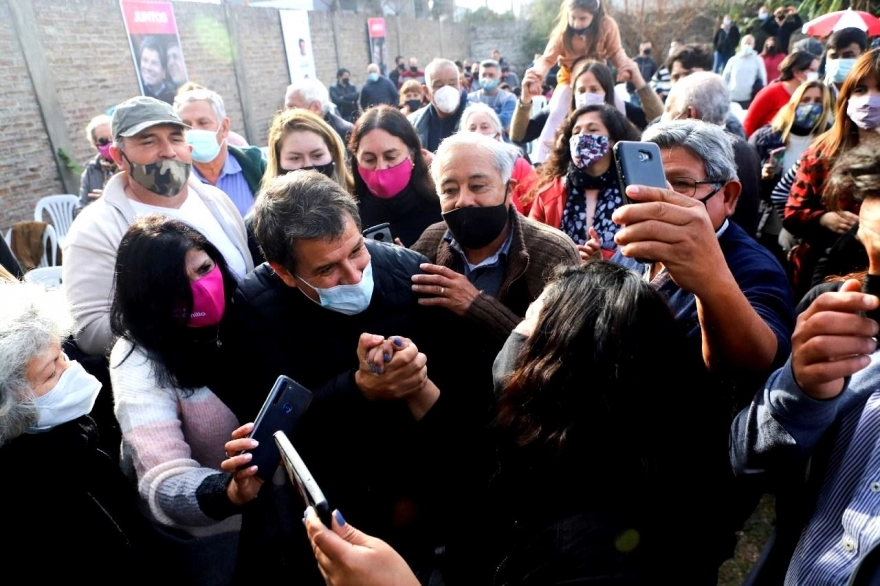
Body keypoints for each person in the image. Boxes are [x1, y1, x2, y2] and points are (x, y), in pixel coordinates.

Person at [304, 261, 728, 585]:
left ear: (563, 371)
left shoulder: (593, 550)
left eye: (528, 325)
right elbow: (475, 460)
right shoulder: (577, 449)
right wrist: (415, 385)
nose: (515, 339)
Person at [217, 171, 449, 584]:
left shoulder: (409, 272)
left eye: (357, 250)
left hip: (414, 488)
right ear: (284, 272)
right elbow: (274, 429)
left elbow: (454, 400)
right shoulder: (254, 307)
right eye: (327, 270)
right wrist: (356, 390)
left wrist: (417, 377)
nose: (355, 275)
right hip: (324, 501)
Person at [730, 148, 880, 580]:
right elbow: (751, 461)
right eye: (868, 258)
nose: (870, 287)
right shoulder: (837, 316)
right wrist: (801, 392)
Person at [109, 216, 245, 585]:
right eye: (175, 285)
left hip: (291, 526)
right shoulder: (138, 359)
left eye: (204, 268)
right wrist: (228, 492)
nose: (200, 287)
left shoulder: (248, 310)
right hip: (217, 548)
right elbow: (163, 480)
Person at [62, 96, 254, 356]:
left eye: (176, 138)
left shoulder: (216, 201)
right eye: (149, 141)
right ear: (119, 156)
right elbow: (89, 332)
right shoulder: (95, 229)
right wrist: (171, 317)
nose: (168, 151)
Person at [0, 279, 165, 581]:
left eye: (62, 355)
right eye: (51, 372)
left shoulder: (74, 434)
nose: (71, 370)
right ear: (8, 401)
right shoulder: (28, 488)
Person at [410, 132, 578, 387]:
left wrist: (477, 306)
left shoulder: (552, 252)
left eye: (478, 186)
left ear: (508, 190)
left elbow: (563, 356)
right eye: (449, 190)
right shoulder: (432, 241)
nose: (464, 200)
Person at [783, 49, 880, 299]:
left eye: (879, 88)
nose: (871, 99)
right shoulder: (822, 152)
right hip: (823, 278)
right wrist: (823, 219)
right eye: (860, 90)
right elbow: (792, 214)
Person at [525, 0, 636, 163]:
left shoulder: (607, 26)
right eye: (573, 18)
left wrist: (625, 68)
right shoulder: (563, 32)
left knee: (618, 108)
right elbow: (547, 59)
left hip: (598, 78)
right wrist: (537, 74)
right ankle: (541, 159)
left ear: (595, 15)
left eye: (582, 18)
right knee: (556, 112)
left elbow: (616, 51)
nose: (577, 23)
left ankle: (627, 152)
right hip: (569, 79)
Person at [529, 104, 640, 260]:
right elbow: (532, 249)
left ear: (612, 140)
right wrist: (570, 259)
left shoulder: (634, 191)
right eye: (576, 132)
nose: (581, 137)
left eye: (592, 130)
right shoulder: (549, 195)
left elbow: (644, 252)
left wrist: (602, 259)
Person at [662, 71, 762, 238]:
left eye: (667, 109)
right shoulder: (747, 149)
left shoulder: (698, 157)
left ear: (689, 114)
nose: (662, 118)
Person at [748, 81, 833, 263]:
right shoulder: (766, 138)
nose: (811, 105)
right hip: (766, 228)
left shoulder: (829, 142)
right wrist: (763, 177)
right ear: (794, 102)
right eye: (806, 99)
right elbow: (746, 184)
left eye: (818, 101)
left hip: (804, 236)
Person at [512, 58, 662, 147]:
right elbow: (519, 136)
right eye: (582, 90)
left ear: (606, 91)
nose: (587, 95)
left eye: (594, 89)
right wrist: (525, 99)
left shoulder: (620, 111)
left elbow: (659, 122)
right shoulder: (558, 114)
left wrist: (639, 82)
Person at [350, 105, 441, 246]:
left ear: (411, 155)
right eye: (369, 160)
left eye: (391, 157)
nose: (380, 168)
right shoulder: (348, 218)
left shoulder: (440, 209)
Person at [175, 88, 267, 217]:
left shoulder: (256, 167)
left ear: (224, 127)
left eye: (203, 122)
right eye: (186, 125)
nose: (194, 130)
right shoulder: (175, 179)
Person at [461, 103, 538, 215]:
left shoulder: (518, 165)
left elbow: (535, 208)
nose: (478, 132)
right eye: (472, 128)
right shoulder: (458, 169)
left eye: (484, 127)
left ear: (497, 134)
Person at [743, 51, 820, 138]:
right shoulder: (771, 92)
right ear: (797, 72)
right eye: (812, 70)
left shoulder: (813, 96)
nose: (816, 75)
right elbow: (748, 124)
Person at [407, 58, 469, 152]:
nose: (447, 91)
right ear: (427, 92)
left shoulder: (477, 121)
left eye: (452, 84)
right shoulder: (413, 124)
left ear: (460, 87)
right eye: (439, 86)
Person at [285, 78, 354, 147]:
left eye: (293, 108)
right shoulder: (287, 133)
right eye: (286, 108)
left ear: (316, 107)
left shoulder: (344, 133)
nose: (287, 114)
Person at [467, 60, 517, 138]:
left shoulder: (509, 98)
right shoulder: (470, 98)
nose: (487, 78)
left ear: (499, 77)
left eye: (491, 75)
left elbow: (504, 121)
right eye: (484, 75)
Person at [79, 114, 118, 207]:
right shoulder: (91, 171)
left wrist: (112, 199)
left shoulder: (134, 164)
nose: (111, 144)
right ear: (95, 145)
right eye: (103, 141)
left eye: (113, 138)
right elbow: (81, 208)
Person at [722, 34, 767, 109]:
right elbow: (725, 77)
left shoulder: (758, 60)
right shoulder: (733, 60)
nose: (747, 45)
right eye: (745, 43)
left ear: (753, 45)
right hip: (732, 98)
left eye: (749, 44)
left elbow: (763, 78)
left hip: (748, 99)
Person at [823, 27, 867, 98]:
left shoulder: (874, 91)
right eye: (834, 56)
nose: (839, 61)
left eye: (848, 56)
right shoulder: (816, 93)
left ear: (864, 55)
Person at [139, 36, 175, 104]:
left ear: (164, 72)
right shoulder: (137, 93)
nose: (148, 67)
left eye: (154, 63)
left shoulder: (173, 97)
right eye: (145, 60)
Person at [628, 40, 658, 106]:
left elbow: (654, 77)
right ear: (641, 47)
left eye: (649, 47)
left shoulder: (652, 62)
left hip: (647, 92)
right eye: (646, 47)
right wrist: (630, 90)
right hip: (634, 92)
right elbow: (628, 76)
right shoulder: (634, 61)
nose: (648, 49)